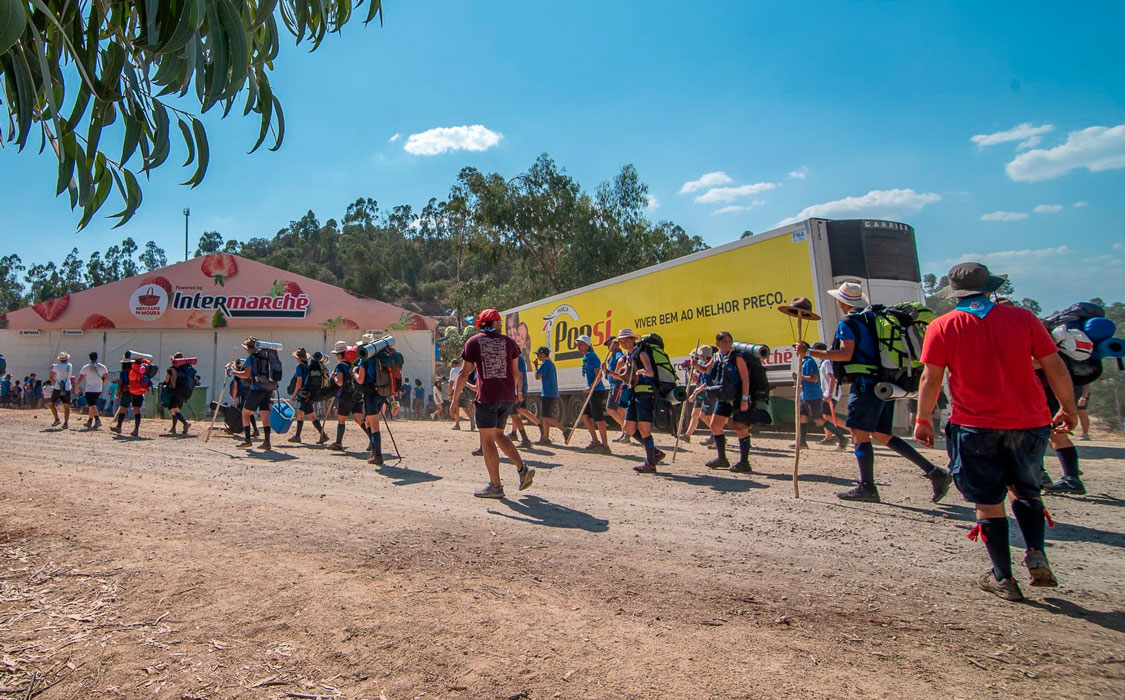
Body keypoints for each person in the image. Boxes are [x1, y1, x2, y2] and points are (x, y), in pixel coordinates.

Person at [915, 262, 1076, 601]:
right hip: (1030, 422)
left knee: (988, 503)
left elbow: (931, 378)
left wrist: (922, 418)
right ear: (990, 288)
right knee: (1028, 491)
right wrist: (1068, 406)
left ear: (954, 292)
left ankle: (1003, 577)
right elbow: (1054, 365)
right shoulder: (1024, 319)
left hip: (975, 426)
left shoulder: (943, 326)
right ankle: (1035, 553)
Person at [801, 281, 952, 503]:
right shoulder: (874, 318)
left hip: (865, 384)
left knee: (859, 432)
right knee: (881, 433)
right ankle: (934, 472)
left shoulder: (849, 322)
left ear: (842, 301)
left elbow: (845, 354)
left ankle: (867, 487)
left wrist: (810, 352)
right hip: (885, 382)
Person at [450, 308, 534, 499]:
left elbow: (463, 373)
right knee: (498, 434)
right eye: (499, 321)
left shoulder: (473, 342)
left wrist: (455, 400)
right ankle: (522, 469)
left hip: (487, 397)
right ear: (494, 323)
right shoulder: (509, 342)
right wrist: (514, 392)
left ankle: (495, 486)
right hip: (506, 397)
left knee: (487, 440)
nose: (502, 324)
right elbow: (516, 373)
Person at [691, 332, 754, 472]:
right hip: (723, 396)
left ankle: (744, 462)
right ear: (718, 343)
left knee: (741, 428)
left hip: (737, 397)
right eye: (723, 341)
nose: (726, 344)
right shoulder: (716, 356)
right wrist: (696, 365)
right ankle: (722, 459)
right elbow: (706, 370)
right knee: (715, 425)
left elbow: (745, 378)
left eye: (728, 341)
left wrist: (744, 399)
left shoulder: (736, 357)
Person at [613, 329, 665, 473]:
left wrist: (643, 372)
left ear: (632, 339)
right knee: (628, 428)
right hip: (633, 393)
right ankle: (655, 453)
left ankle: (650, 463)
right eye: (622, 342)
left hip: (645, 392)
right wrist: (608, 372)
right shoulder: (626, 356)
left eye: (626, 340)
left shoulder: (641, 353)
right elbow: (620, 377)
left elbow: (650, 372)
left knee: (644, 429)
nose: (624, 343)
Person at [797, 343, 847, 450]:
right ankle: (826, 438)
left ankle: (847, 433)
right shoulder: (819, 362)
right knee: (817, 416)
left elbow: (831, 378)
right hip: (817, 394)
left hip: (826, 394)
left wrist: (829, 393)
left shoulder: (826, 361)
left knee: (824, 417)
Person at [354, 341, 394, 466]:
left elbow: (360, 380)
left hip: (370, 394)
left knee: (374, 425)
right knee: (368, 421)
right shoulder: (381, 356)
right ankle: (374, 451)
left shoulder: (364, 359)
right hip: (382, 392)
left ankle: (378, 456)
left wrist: (354, 373)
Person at [232, 337, 275, 451]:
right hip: (267, 389)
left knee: (245, 413)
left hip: (256, 389)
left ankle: (247, 440)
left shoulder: (251, 358)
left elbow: (246, 375)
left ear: (248, 348)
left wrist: (233, 372)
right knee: (265, 415)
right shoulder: (265, 357)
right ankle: (267, 442)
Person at [326, 341, 366, 451]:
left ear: (339, 355)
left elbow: (339, 382)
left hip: (346, 396)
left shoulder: (340, 366)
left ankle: (338, 443)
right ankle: (373, 440)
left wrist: (333, 377)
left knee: (341, 420)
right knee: (358, 419)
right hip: (357, 394)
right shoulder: (353, 365)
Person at [577, 335, 611, 453]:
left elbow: (599, 375)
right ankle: (595, 441)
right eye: (578, 344)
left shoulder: (592, 357)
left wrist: (591, 387)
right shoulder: (586, 357)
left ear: (587, 345)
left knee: (598, 418)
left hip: (596, 391)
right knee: (585, 416)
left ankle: (605, 445)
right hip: (591, 391)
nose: (578, 347)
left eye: (581, 344)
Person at [287, 348, 329, 445]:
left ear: (298, 358)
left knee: (311, 416)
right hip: (309, 394)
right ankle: (297, 436)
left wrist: (294, 394)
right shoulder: (307, 367)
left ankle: (323, 435)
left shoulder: (300, 368)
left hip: (304, 395)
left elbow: (299, 382)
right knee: (300, 414)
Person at [679, 346, 716, 443]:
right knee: (696, 414)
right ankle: (688, 435)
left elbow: (707, 382)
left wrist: (695, 392)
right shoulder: (701, 365)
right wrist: (690, 371)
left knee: (703, 415)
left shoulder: (709, 365)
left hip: (705, 392)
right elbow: (696, 380)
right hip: (701, 391)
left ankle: (716, 432)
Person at [110, 354, 150, 437]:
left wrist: (117, 395)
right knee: (136, 410)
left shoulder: (124, 372)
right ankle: (136, 429)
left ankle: (119, 427)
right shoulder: (137, 370)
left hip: (127, 391)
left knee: (123, 409)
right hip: (138, 391)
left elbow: (121, 384)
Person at [506, 353, 538, 448]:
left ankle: (525, 438)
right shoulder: (517, 358)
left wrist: (518, 393)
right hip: (515, 391)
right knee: (515, 414)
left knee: (515, 414)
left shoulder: (516, 358)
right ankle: (515, 434)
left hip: (515, 391)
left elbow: (519, 376)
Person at [603, 338, 630, 442]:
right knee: (620, 410)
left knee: (610, 408)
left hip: (617, 385)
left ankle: (627, 429)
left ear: (616, 344)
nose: (608, 347)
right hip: (614, 385)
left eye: (610, 344)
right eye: (607, 345)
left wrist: (616, 370)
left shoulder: (618, 354)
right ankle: (625, 433)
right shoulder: (613, 355)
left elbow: (621, 360)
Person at [75, 352, 108, 430]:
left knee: (92, 405)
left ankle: (97, 420)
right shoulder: (102, 367)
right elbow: (106, 378)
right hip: (98, 389)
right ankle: (90, 421)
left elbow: (80, 378)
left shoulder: (86, 367)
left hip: (89, 389)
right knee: (92, 405)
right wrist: (101, 382)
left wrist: (77, 386)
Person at [163, 353, 191, 435]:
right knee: (175, 410)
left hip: (174, 392)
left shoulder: (171, 369)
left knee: (174, 410)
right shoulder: (184, 369)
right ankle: (173, 428)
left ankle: (185, 423)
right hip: (183, 392)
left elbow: (166, 380)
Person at [47, 352, 74, 428]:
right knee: (66, 406)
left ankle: (57, 419)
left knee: (52, 404)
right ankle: (66, 423)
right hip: (67, 387)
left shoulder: (56, 367)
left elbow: (51, 376)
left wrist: (55, 382)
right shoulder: (70, 365)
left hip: (57, 388)